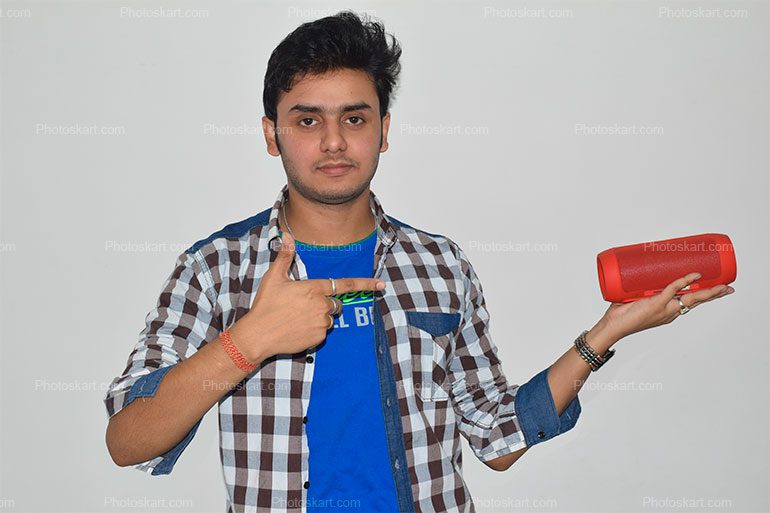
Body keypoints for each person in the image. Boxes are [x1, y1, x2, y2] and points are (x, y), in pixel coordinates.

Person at [103, 10, 735, 513]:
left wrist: (609, 331)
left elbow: (495, 437)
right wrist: (249, 342)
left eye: (355, 117)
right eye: (306, 120)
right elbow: (129, 440)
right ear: (271, 133)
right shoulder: (216, 269)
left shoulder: (439, 264)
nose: (332, 142)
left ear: (384, 130)